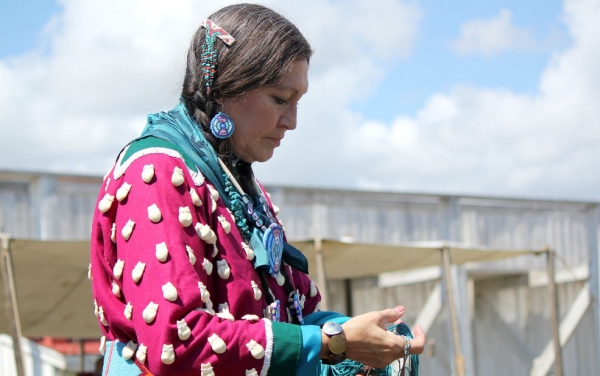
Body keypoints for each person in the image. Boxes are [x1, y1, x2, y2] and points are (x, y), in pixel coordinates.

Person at [89, 3, 425, 375]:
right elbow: (174, 343)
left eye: (298, 102)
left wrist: (361, 341)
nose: (292, 122)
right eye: (280, 99)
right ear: (224, 88)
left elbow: (288, 318)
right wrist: (332, 343)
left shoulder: (239, 184)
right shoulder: (154, 172)